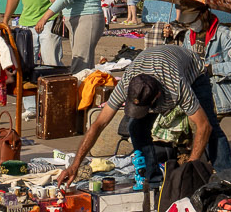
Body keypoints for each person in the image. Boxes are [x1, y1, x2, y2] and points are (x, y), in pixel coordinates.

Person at [54, 41, 215, 188]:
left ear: (157, 97)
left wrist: (190, 168)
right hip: (153, 64)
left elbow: (203, 126)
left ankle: (225, 177)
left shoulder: (176, 86)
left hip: (193, 71)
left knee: (213, 129)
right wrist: (75, 165)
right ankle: (153, 179)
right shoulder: (127, 82)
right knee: (136, 127)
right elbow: (99, 124)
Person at [180, 0, 231, 174]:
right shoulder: (189, 37)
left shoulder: (223, 34)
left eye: (192, 19)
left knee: (207, 124)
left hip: (221, 94)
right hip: (196, 92)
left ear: (201, 15)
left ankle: (223, 170)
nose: (190, 24)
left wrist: (212, 69)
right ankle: (190, 162)